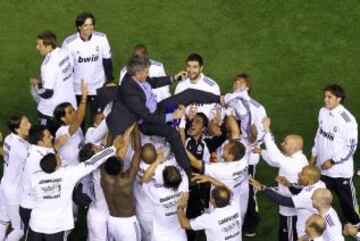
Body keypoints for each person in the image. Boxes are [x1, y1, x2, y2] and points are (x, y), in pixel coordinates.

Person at [105, 55, 224, 176]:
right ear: (137, 73)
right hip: (147, 123)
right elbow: (146, 116)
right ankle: (189, 173)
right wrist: (173, 116)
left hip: (156, 109)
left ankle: (220, 99)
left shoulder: (136, 77)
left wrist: (173, 78)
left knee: (189, 93)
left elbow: (152, 82)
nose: (148, 74)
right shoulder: (130, 91)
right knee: (173, 134)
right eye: (146, 72)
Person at [25, 129, 129, 241]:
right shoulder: (68, 174)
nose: (60, 157)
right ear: (55, 167)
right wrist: (113, 148)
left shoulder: (35, 177)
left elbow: (31, 194)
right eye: (58, 158)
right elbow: (92, 162)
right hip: (56, 227)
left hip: (36, 225)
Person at [224, 73, 267, 237]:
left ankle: (250, 223)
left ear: (248, 87)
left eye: (241, 82)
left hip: (248, 156)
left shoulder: (257, 108)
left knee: (249, 190)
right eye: (235, 81)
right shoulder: (230, 101)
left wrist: (254, 138)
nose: (236, 84)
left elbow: (262, 135)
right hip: (230, 153)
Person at [310, 84, 359, 225]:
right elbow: (319, 135)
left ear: (339, 99)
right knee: (321, 200)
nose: (325, 100)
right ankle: (323, 224)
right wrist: (314, 154)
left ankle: (356, 224)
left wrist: (333, 161)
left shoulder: (347, 120)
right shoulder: (323, 112)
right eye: (325, 96)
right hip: (323, 170)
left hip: (340, 172)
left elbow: (351, 148)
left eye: (329, 97)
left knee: (348, 203)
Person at [255, 117, 308, 241]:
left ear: (294, 148)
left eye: (285, 143)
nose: (282, 144)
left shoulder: (294, 164)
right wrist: (262, 152)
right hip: (291, 209)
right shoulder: (296, 158)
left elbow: (275, 158)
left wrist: (267, 130)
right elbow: (277, 162)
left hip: (291, 212)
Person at [62, 12, 114, 123]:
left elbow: (107, 60)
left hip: (98, 87)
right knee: (78, 120)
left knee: (98, 120)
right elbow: (66, 68)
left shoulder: (102, 38)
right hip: (78, 89)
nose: (89, 28)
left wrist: (110, 79)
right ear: (79, 27)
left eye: (91, 24)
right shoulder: (69, 43)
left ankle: (93, 140)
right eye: (85, 25)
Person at [249, 165, 326, 237]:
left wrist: (263, 188)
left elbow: (284, 201)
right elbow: (302, 190)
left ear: (310, 180)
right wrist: (289, 185)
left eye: (302, 174)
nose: (298, 174)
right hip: (312, 226)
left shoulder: (308, 196)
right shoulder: (319, 184)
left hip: (305, 230)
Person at [19, 125, 67, 234]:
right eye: (48, 136)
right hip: (32, 208)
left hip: (32, 204)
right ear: (40, 142)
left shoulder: (39, 150)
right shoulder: (38, 159)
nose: (52, 137)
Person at [100, 124, 142, 241]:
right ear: (121, 168)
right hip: (128, 225)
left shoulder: (104, 177)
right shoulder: (126, 180)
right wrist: (136, 128)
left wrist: (115, 124)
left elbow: (106, 150)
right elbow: (138, 151)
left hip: (112, 222)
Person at [30, 31, 77, 135]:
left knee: (47, 139)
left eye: (40, 45)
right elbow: (72, 70)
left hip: (51, 111)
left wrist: (36, 84)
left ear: (49, 46)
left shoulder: (48, 65)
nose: (37, 47)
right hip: (70, 106)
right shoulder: (65, 53)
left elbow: (47, 93)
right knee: (70, 137)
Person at [177, 175, 242, 241]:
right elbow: (229, 191)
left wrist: (180, 206)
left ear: (212, 200)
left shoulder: (209, 219)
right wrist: (209, 179)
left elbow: (185, 224)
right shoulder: (235, 206)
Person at [0, 115, 31, 241]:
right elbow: (37, 163)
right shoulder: (21, 147)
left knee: (2, 221)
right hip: (15, 192)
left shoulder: (8, 138)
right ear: (17, 129)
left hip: (4, 185)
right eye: (25, 123)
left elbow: (4, 153)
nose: (29, 124)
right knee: (20, 229)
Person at [174, 53, 221, 120]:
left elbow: (216, 112)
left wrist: (198, 118)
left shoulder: (212, 86)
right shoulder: (181, 85)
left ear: (201, 68)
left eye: (195, 67)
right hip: (185, 122)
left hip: (206, 124)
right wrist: (186, 114)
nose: (191, 70)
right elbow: (176, 107)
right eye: (188, 66)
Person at [53, 80, 88, 166]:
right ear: (63, 118)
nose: (74, 112)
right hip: (71, 172)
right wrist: (84, 98)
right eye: (70, 112)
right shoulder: (62, 131)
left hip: (82, 167)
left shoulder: (76, 126)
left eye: (73, 109)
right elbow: (79, 119)